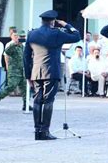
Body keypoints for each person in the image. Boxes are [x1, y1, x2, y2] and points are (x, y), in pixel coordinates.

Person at [24, 10, 80, 140]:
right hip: (51, 71)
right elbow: (77, 36)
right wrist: (66, 25)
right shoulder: (57, 33)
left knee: (37, 100)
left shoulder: (32, 34)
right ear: (53, 21)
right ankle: (45, 131)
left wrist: (28, 75)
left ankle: (37, 131)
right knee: (48, 100)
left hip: (36, 71)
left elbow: (26, 57)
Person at [0, 31, 31, 111]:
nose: (22, 39)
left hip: (22, 71)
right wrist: (15, 44)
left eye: (23, 37)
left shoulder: (23, 47)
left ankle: (26, 104)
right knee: (11, 87)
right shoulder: (12, 45)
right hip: (14, 71)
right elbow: (7, 52)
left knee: (25, 89)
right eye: (21, 37)